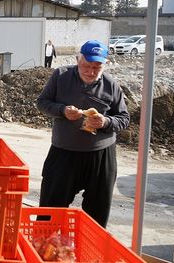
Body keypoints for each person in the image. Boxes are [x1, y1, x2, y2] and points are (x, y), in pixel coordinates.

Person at [36, 40, 129, 228]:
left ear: (105, 65)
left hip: (101, 156)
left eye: (97, 67)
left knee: (97, 214)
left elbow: (124, 118)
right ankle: (45, 250)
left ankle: (88, 250)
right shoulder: (60, 76)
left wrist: (106, 121)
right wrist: (62, 110)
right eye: (86, 66)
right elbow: (42, 102)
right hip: (64, 153)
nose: (90, 71)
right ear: (78, 60)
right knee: (50, 211)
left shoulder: (111, 85)